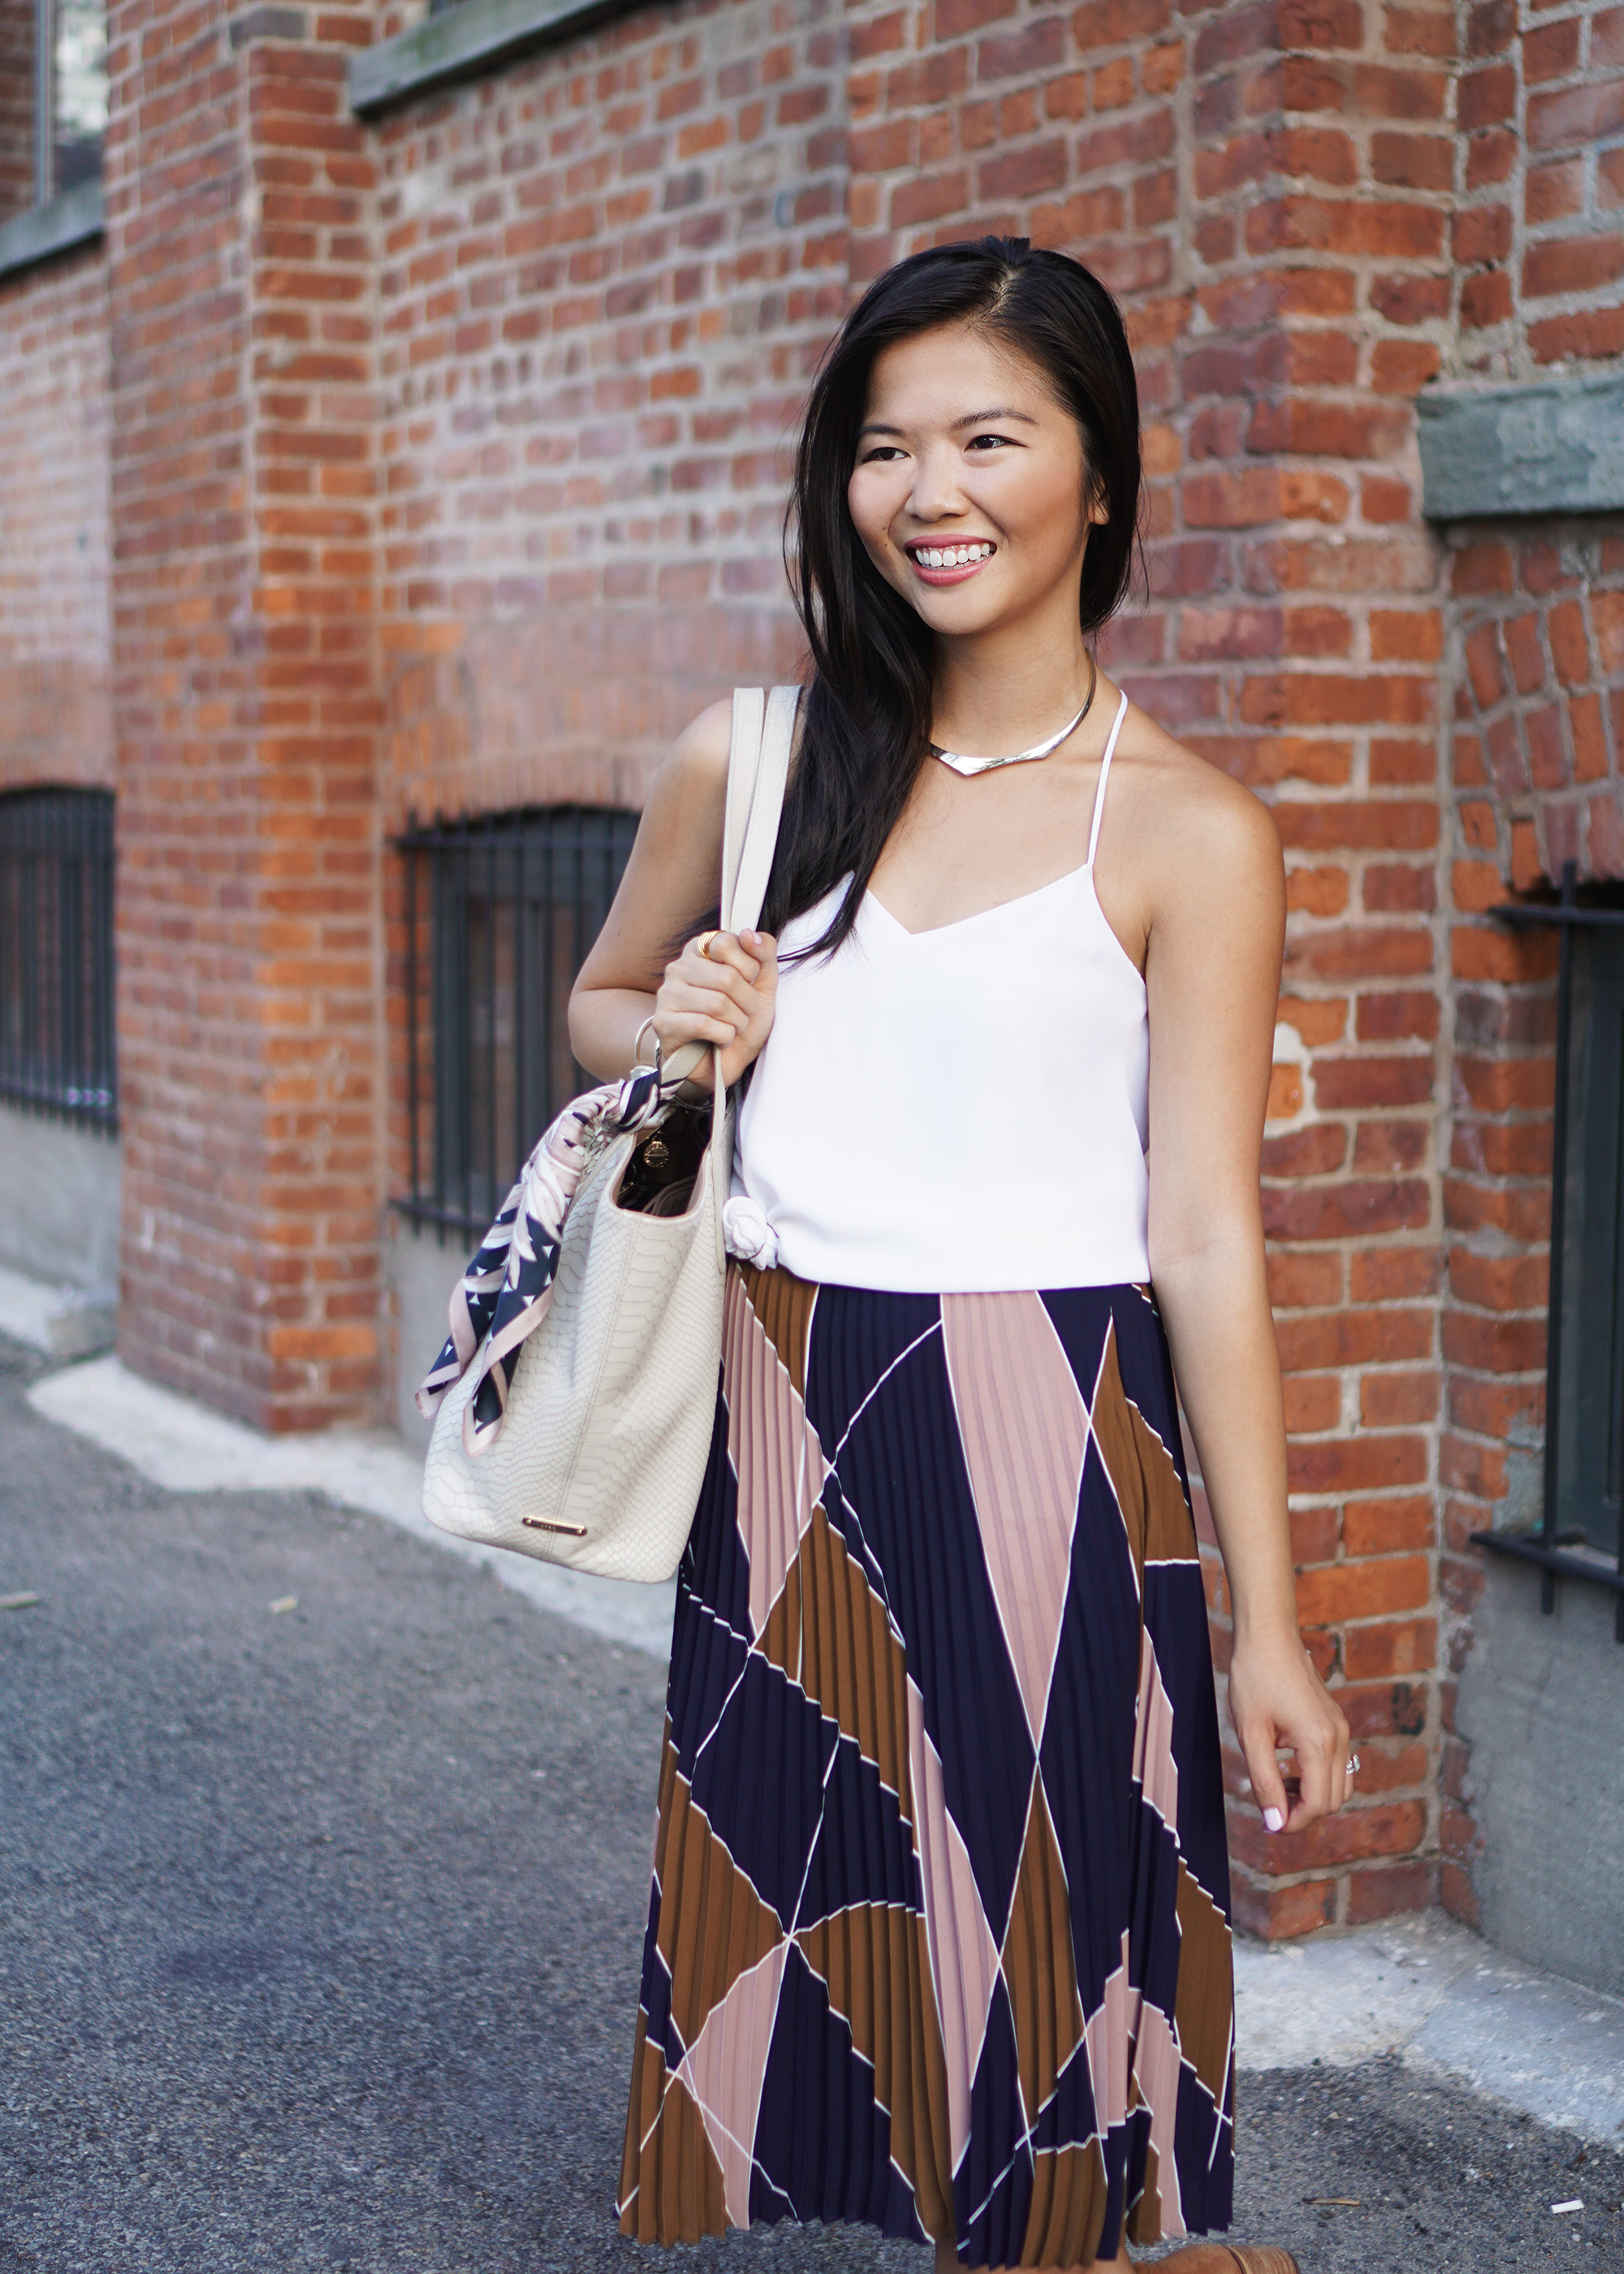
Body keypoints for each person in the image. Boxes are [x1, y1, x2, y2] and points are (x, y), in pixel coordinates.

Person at [569, 236, 1349, 2273]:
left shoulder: (1190, 829)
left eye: (990, 436)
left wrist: (1267, 1622)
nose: (932, 491)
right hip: (793, 1403)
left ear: (1097, 479)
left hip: (1064, 1440)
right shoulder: (756, 760)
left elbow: (1202, 1227)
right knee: (863, 1941)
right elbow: (599, 1002)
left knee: (1058, 1941)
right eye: (885, 446)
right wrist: (679, 1031)